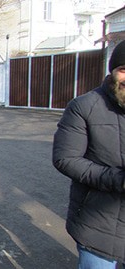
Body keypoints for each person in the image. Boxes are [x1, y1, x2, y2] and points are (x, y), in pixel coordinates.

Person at [52, 40, 125, 268]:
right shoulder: (85, 106)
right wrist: (118, 180)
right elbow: (66, 159)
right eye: (124, 70)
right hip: (99, 230)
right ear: (112, 71)